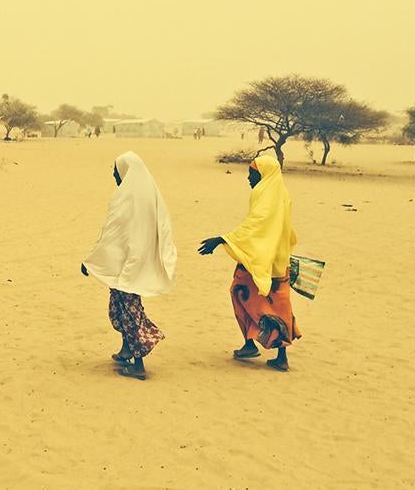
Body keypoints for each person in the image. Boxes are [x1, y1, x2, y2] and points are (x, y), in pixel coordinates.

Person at [197, 155, 301, 371]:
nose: (248, 178)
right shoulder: (282, 193)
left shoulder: (263, 193)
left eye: (252, 174)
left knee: (239, 291)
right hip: (278, 259)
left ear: (263, 174)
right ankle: (277, 354)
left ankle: (250, 343)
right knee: (279, 304)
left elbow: (255, 225)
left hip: (259, 257)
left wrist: (222, 239)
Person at [81, 151, 177, 380]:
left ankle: (138, 365)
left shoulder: (127, 198)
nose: (114, 176)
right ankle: (126, 350)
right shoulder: (148, 196)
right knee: (119, 306)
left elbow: (112, 234)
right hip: (137, 262)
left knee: (129, 311)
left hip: (129, 264)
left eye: (116, 171)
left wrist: (92, 261)